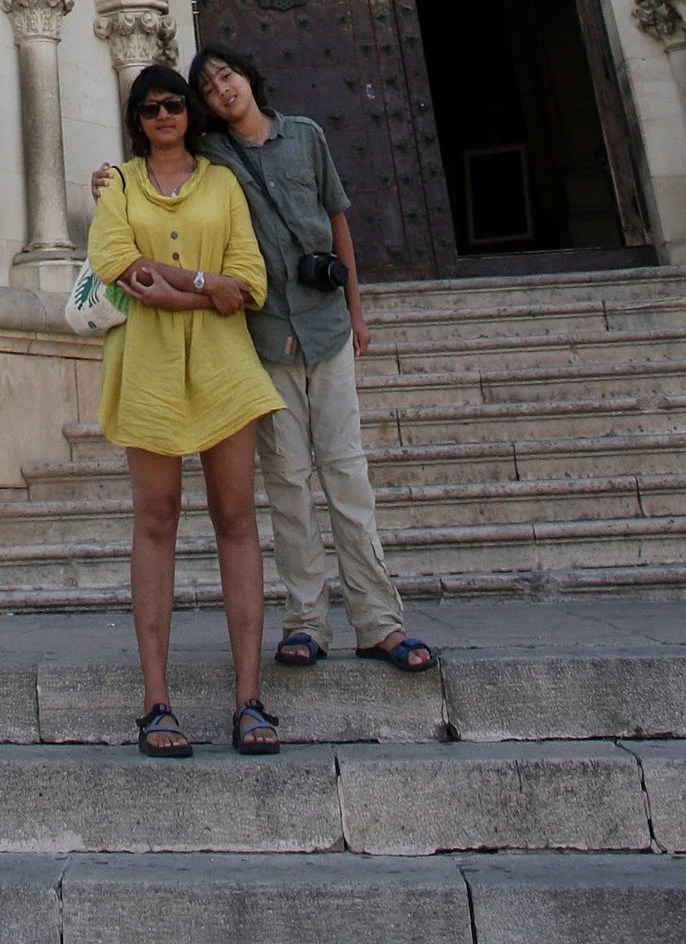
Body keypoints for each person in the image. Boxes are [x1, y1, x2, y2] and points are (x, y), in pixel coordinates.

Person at [97, 44, 436, 678]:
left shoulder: (303, 138)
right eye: (206, 88)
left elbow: (337, 222)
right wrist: (108, 181)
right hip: (265, 338)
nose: (220, 91)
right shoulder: (212, 157)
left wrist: (357, 312)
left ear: (249, 77)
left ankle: (378, 620)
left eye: (225, 77)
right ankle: (306, 620)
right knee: (287, 483)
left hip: (325, 328)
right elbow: (142, 197)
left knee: (347, 475)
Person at [85, 62, 285, 757]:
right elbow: (118, 262)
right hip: (148, 368)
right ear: (136, 119)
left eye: (174, 104)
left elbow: (249, 281)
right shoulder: (118, 184)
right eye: (150, 107)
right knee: (155, 520)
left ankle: (249, 698)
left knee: (236, 518)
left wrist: (178, 290)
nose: (164, 115)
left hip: (225, 370)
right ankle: (156, 703)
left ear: (190, 114)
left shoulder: (222, 183)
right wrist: (204, 286)